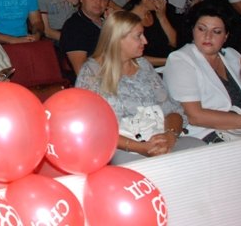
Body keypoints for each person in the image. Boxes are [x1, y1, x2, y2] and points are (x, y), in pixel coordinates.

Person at [76, 11, 203, 164]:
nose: (145, 41)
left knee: (199, 149)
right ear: (118, 39)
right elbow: (92, 128)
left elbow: (173, 111)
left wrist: (170, 136)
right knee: (139, 166)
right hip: (119, 146)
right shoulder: (92, 73)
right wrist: (140, 148)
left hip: (157, 138)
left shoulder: (143, 66)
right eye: (138, 36)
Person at [164, 3, 241, 143]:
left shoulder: (232, 55)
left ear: (226, 36)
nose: (207, 36)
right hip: (208, 133)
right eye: (201, 29)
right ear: (192, 30)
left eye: (217, 31)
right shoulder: (180, 60)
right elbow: (194, 116)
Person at [58, 0, 110, 75]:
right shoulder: (74, 27)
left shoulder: (108, 23)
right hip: (94, 79)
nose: (98, 2)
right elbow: (82, 72)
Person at [123, 0, 177, 66]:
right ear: (144, 0)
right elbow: (135, 57)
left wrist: (162, 17)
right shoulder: (127, 20)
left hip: (168, 61)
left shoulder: (158, 12)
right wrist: (168, 61)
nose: (162, 1)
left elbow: (174, 42)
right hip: (146, 66)